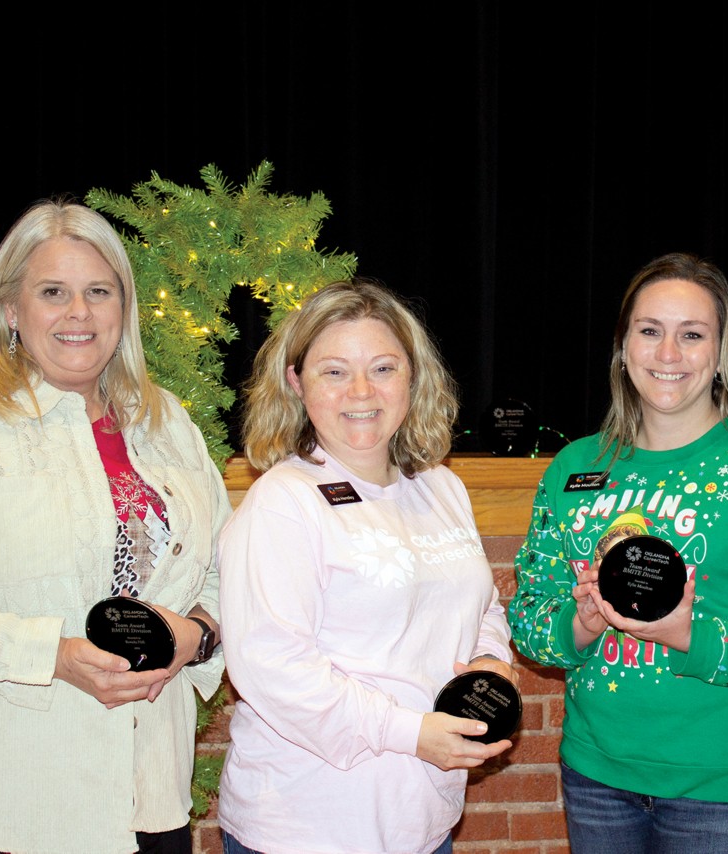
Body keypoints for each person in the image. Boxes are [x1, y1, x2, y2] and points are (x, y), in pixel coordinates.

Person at [0, 201, 228, 853]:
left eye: (99, 292)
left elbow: (225, 572)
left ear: (124, 308)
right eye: (53, 292)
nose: (79, 314)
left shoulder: (165, 421)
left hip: (148, 801)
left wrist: (197, 636)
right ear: (10, 308)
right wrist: (52, 655)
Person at [511, 253, 728, 853]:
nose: (668, 354)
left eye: (692, 335)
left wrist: (693, 634)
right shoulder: (572, 469)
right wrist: (578, 627)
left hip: (727, 795)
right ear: (622, 346)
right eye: (650, 331)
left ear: (721, 352)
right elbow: (531, 618)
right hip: (598, 779)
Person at [217, 279, 515, 854]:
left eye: (383, 367)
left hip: (423, 822)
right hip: (306, 827)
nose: (361, 390)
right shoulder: (284, 501)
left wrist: (487, 662)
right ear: (295, 381)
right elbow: (272, 666)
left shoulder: (440, 486)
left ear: (412, 377)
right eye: (334, 371)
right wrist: (410, 732)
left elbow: (481, 606)